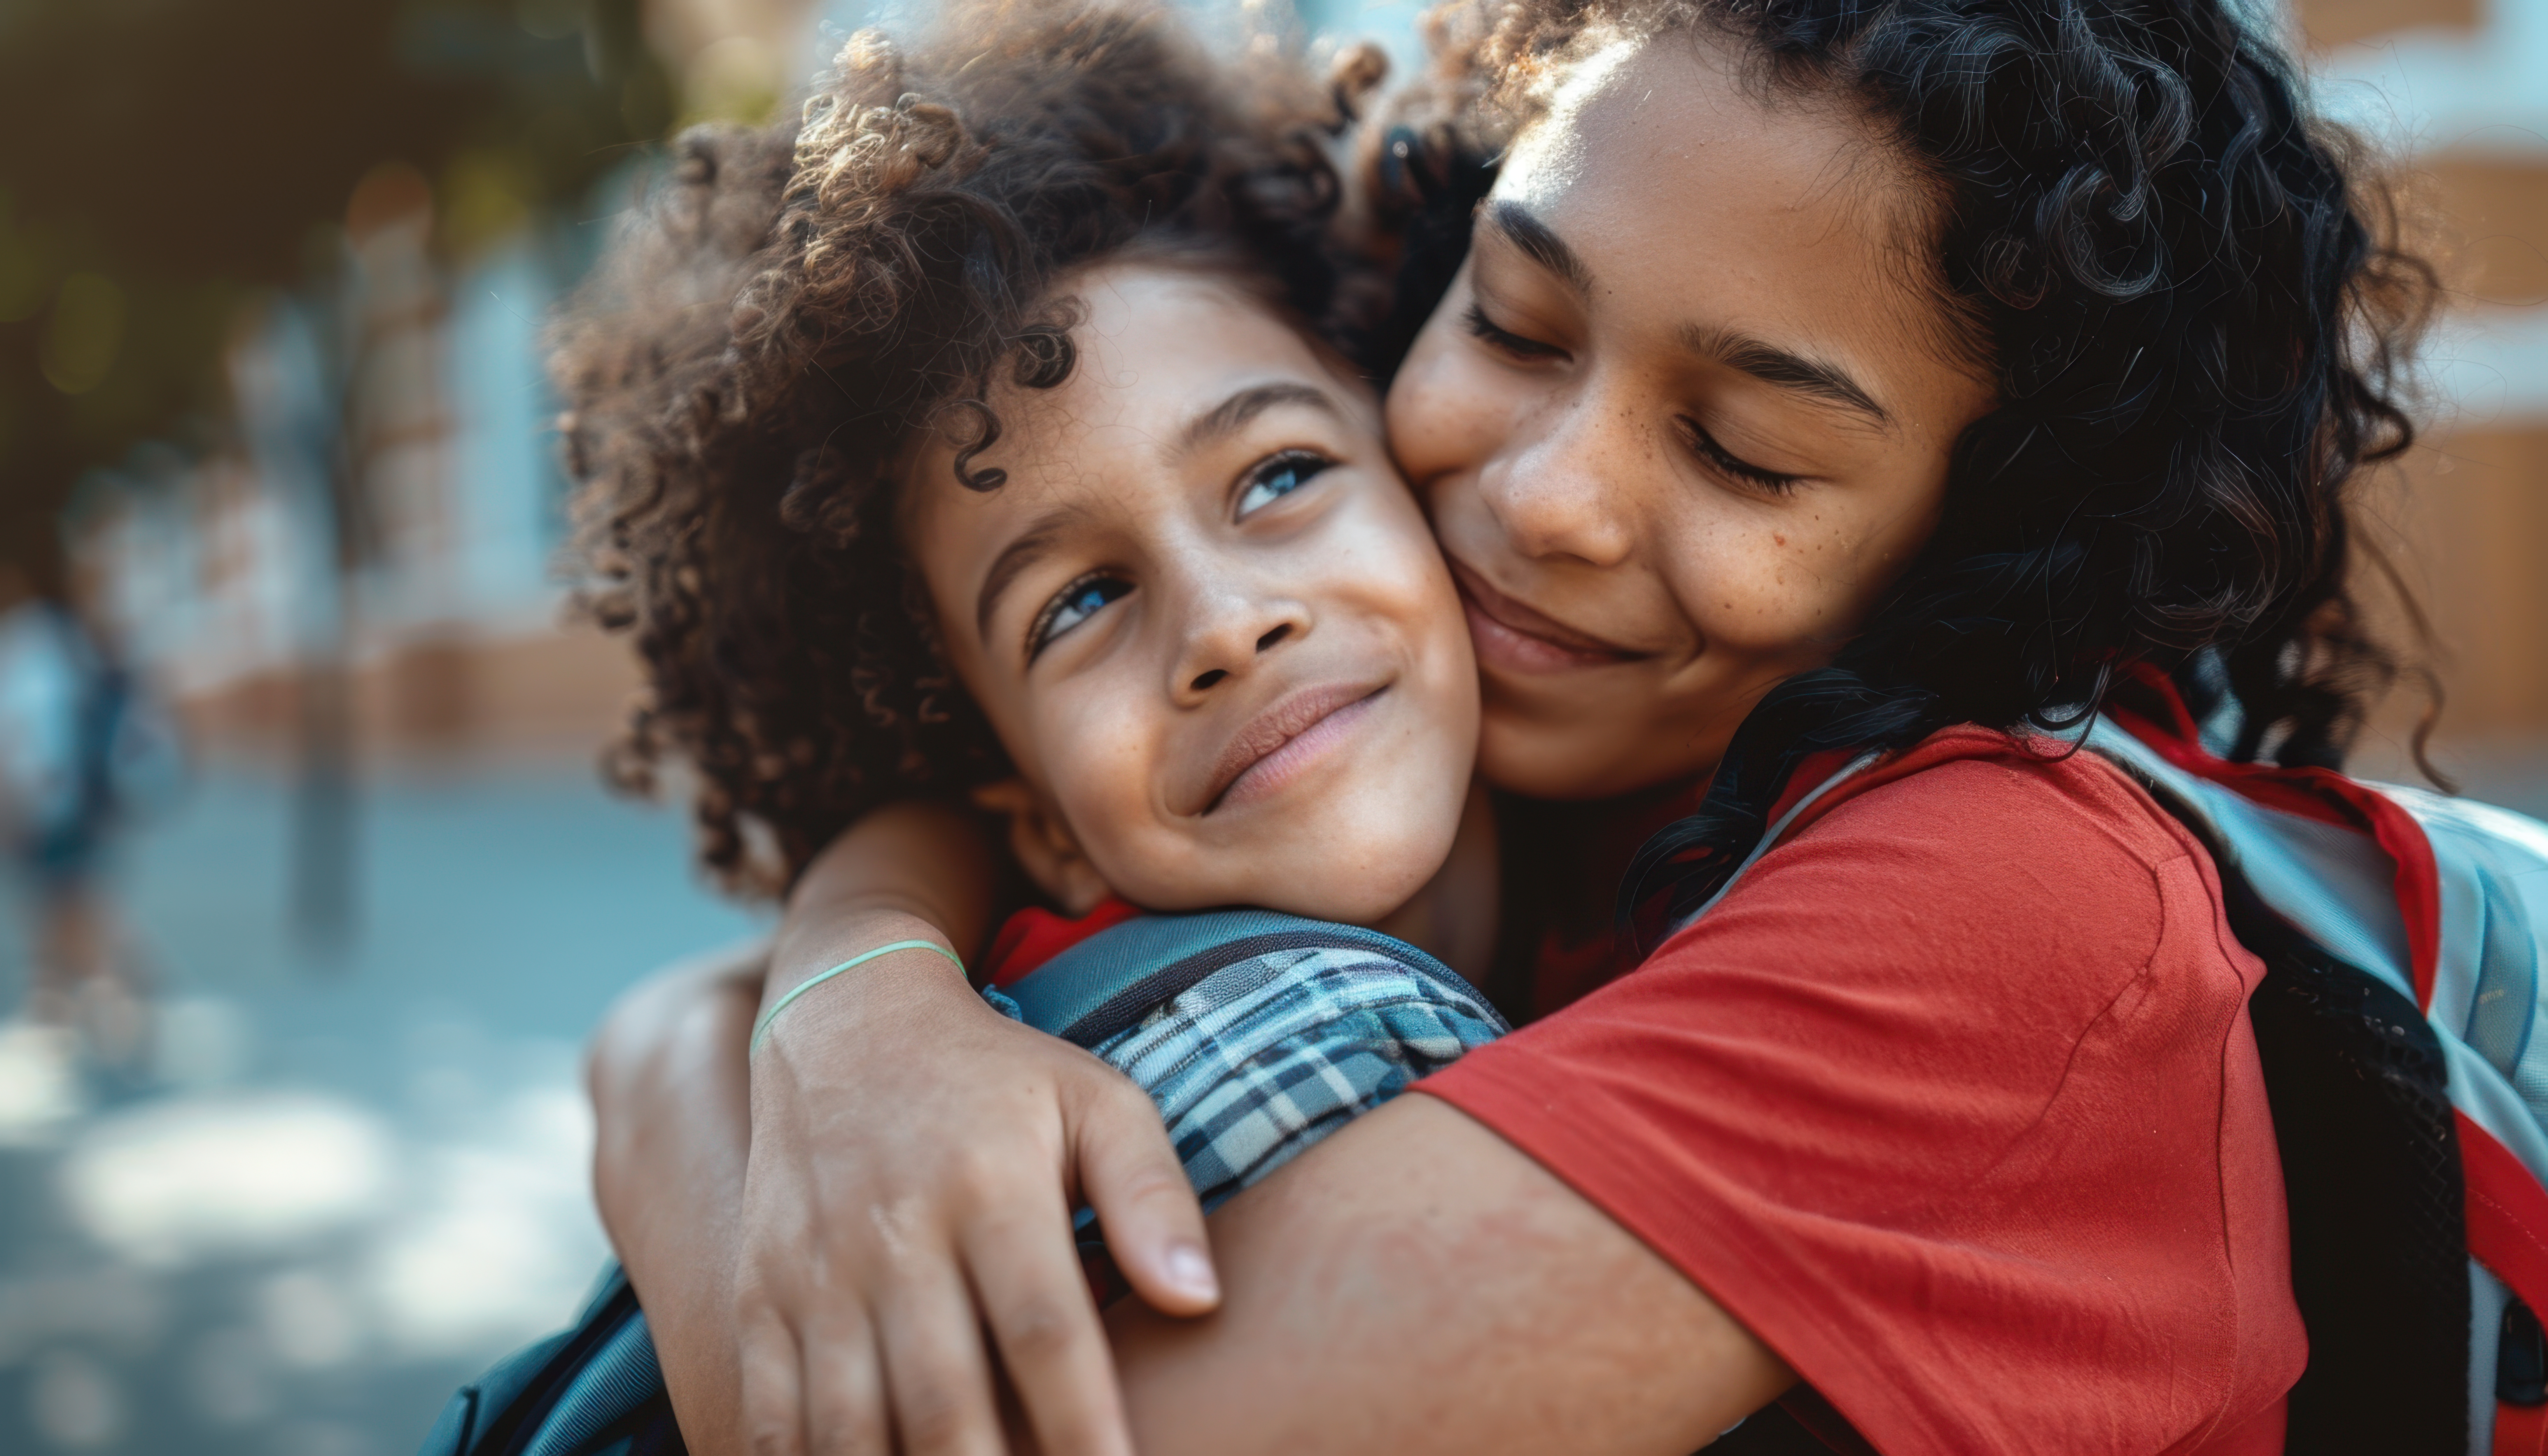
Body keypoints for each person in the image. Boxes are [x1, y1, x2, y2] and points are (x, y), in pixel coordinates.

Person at [589, 0, 2441, 1451]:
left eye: (1743, 450)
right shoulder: (1516, 768)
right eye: (1522, 320)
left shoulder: (2013, 913)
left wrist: (687, 1071)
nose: (1551, 499)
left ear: (1982, 544)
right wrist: (854, 988)